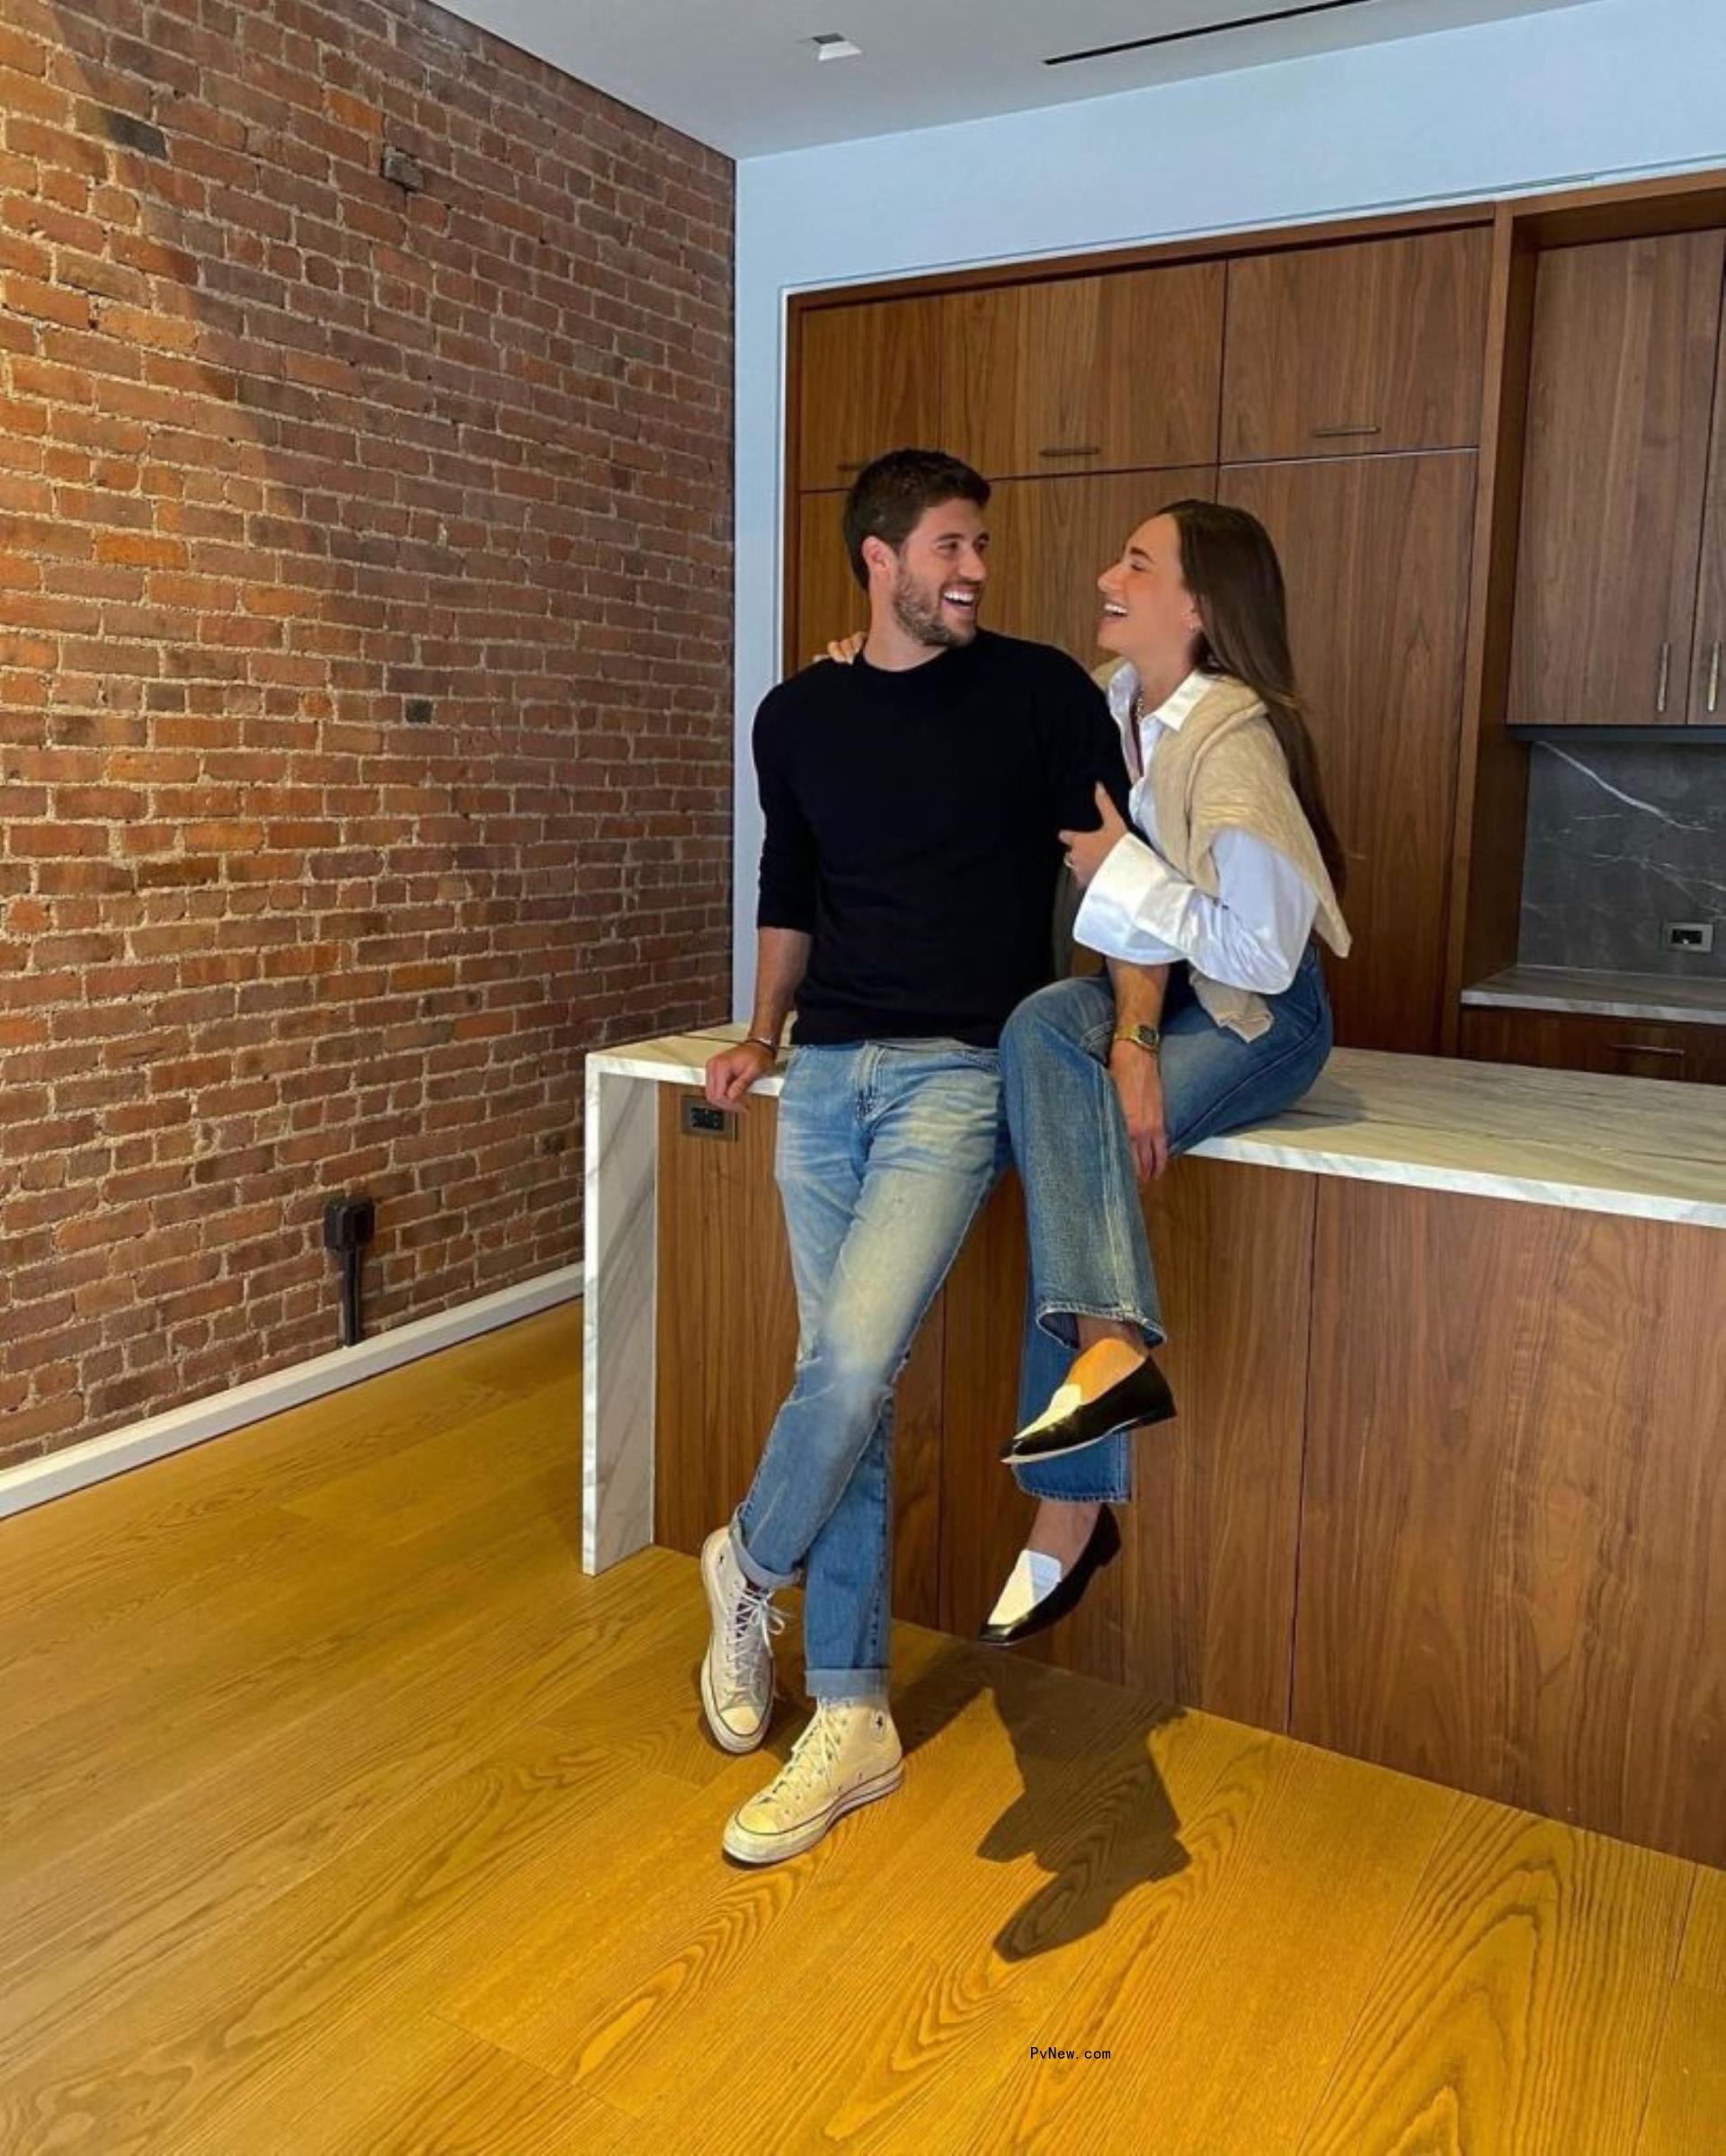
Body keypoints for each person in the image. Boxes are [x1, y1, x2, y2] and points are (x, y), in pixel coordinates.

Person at [699, 448, 1161, 1866]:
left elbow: (1125, 873)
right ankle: (851, 1712)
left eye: (980, 547)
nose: (973, 569)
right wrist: (762, 1031)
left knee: (847, 1364)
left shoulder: (1041, 695)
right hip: (826, 1076)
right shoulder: (799, 714)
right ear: (879, 560)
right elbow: (792, 888)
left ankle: (748, 1562)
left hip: (956, 1081)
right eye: (950, 546)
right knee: (846, 1376)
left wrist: (1132, 1030)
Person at [979, 499, 1351, 1644]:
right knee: (1044, 1026)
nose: (1107, 572)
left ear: (1197, 605)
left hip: (1256, 1017)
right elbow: (980, 694)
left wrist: (1117, 869)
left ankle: (1067, 1518)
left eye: (1136, 562)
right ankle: (1117, 1352)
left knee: (1072, 1131)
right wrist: (859, 662)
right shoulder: (1112, 702)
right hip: (1173, 1001)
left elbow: (1260, 949)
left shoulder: (1235, 738)